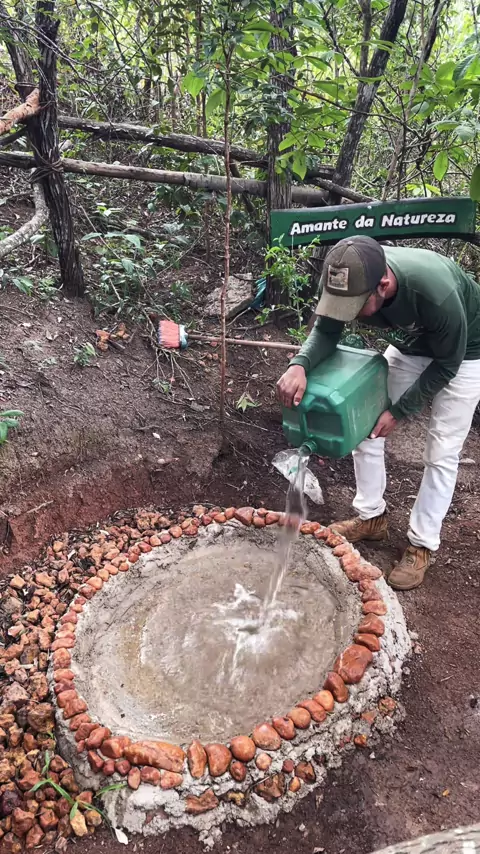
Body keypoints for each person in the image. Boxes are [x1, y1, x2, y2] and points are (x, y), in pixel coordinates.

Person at [277, 235, 480, 591]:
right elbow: (326, 330)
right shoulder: (346, 276)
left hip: (465, 353)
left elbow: (447, 365)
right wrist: (300, 364)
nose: (348, 313)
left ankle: (422, 544)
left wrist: (399, 411)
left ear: (383, 286)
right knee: (365, 424)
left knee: (441, 452)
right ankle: (372, 518)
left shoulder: (435, 292)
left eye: (354, 306)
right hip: (411, 347)